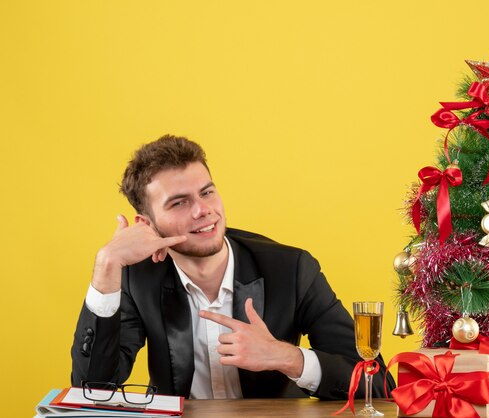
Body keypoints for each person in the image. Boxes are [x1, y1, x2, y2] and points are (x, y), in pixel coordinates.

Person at [70, 134, 394, 400]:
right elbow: (92, 392)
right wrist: (106, 267)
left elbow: (376, 385)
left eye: (207, 192)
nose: (203, 210)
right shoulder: (136, 279)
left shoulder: (291, 269)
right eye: (179, 202)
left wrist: (287, 358)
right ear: (146, 224)